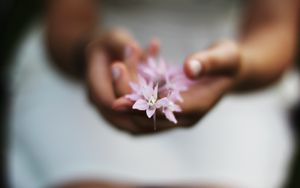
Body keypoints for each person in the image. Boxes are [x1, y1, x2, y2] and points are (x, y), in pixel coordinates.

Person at [8, 0, 300, 187]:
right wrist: (88, 53)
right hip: (93, 56)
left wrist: (237, 67)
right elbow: (68, 22)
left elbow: (275, 27)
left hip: (228, 59)